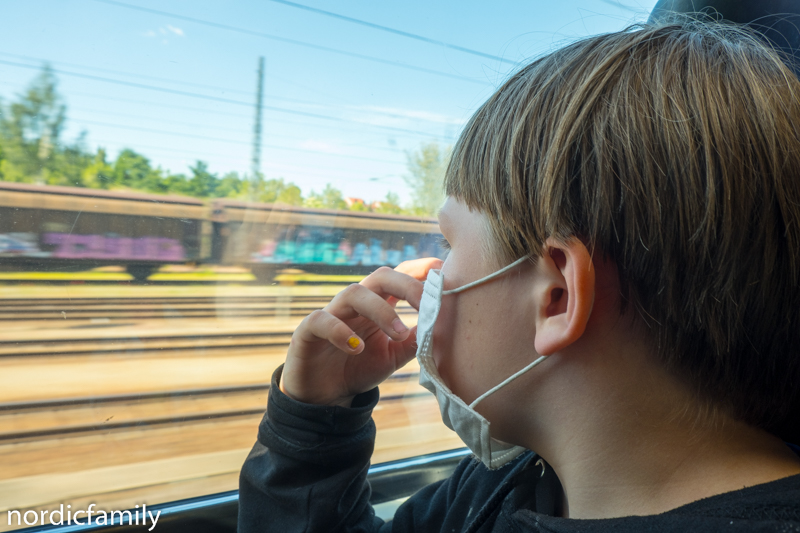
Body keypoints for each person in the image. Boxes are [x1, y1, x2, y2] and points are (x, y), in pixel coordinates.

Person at [238, 16, 800, 533]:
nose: (427, 275)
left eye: (449, 243)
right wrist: (314, 420)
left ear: (556, 296)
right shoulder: (508, 484)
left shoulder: (493, 498)